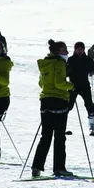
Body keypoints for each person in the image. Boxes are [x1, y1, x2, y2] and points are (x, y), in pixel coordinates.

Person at [31, 40, 75, 178]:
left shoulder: (45, 63)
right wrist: (71, 86)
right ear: (57, 51)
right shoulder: (59, 63)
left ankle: (36, 166)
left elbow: (40, 83)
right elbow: (59, 83)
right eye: (64, 50)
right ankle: (59, 168)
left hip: (45, 101)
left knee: (45, 136)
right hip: (58, 101)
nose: (67, 52)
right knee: (59, 137)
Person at [66, 41, 94, 136]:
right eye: (78, 49)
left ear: (83, 49)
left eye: (81, 49)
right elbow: (65, 72)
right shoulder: (70, 60)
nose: (79, 50)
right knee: (68, 106)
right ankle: (62, 125)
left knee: (89, 105)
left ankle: (92, 125)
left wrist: (92, 71)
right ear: (75, 50)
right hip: (72, 86)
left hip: (85, 85)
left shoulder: (88, 59)